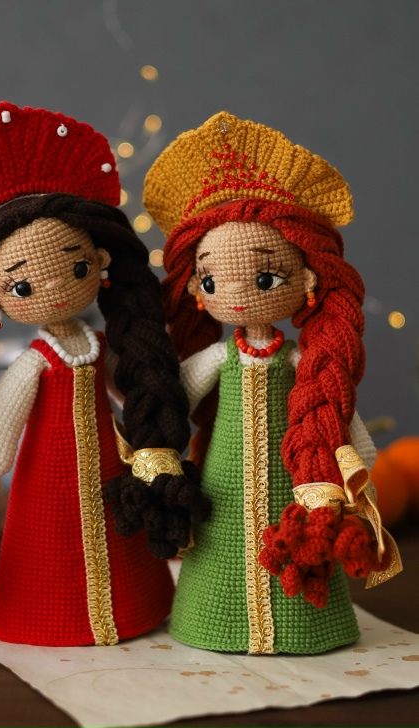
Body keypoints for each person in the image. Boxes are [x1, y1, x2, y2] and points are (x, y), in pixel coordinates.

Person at [0, 102, 208, 646]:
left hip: (110, 468)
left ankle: (136, 607)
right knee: (46, 541)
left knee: (119, 541)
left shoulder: (100, 347)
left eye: (75, 268)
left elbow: (130, 390)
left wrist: (154, 426)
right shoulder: (34, 362)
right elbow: (2, 415)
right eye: (24, 285)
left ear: (101, 263)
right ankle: (46, 615)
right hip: (45, 478)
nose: (55, 289)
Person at [143, 112, 401, 654]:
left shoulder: (306, 363)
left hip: (297, 484)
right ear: (196, 289)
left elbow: (336, 414)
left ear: (307, 279)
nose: (237, 296)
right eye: (213, 279)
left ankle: (306, 629)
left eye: (264, 278)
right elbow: (172, 400)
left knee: (302, 555)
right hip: (220, 486)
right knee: (218, 551)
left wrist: (359, 473)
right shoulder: (216, 359)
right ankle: (210, 619)